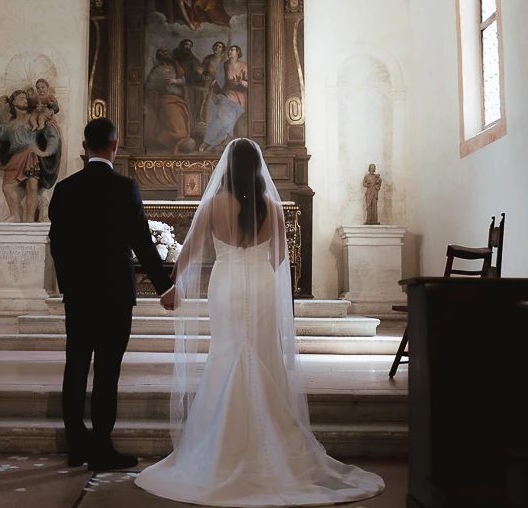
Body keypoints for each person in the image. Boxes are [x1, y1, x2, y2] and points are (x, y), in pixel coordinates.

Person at [136, 139, 385, 506]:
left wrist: (174, 286)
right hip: (263, 285)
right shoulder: (273, 207)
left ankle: (224, 445)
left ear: (227, 168)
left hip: (226, 285)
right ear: (256, 168)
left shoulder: (214, 204)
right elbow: (281, 258)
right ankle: (274, 444)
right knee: (262, 353)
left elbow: (189, 248)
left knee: (227, 353)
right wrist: (259, 275)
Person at [48, 118, 174, 472]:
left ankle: (76, 447)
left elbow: (57, 245)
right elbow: (142, 244)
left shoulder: (65, 189)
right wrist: (165, 287)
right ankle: (101, 447)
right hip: (116, 295)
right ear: (115, 146)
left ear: (84, 147)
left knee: (75, 367)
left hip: (78, 294)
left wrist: (68, 286)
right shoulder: (126, 187)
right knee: (107, 372)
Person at [0, 90, 61, 222]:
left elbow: (52, 135)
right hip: (15, 157)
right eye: (21, 98)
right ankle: (15, 215)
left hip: (30, 154)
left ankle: (30, 219)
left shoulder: (35, 119)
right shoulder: (10, 125)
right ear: (14, 102)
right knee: (7, 188)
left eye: (26, 98)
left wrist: (46, 152)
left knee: (32, 187)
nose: (25, 100)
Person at [144, 47, 192, 153]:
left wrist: (175, 81)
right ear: (160, 56)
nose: (168, 54)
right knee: (180, 133)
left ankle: (164, 144)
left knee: (183, 132)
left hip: (178, 101)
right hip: (167, 101)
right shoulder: (157, 71)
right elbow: (150, 87)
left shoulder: (174, 67)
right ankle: (157, 141)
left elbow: (183, 80)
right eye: (164, 52)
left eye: (168, 52)